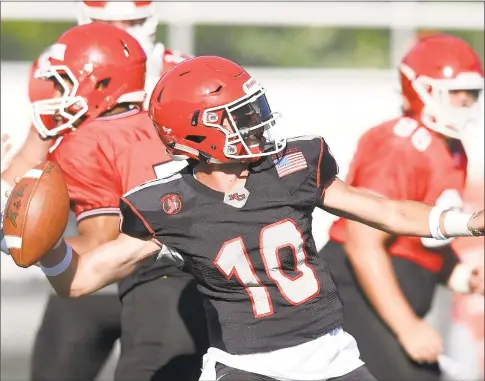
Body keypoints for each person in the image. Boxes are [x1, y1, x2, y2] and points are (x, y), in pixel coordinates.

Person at [7, 55, 484, 381]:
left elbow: (386, 210)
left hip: (332, 358)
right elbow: (82, 279)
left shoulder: (292, 165)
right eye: (239, 115)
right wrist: (45, 247)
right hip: (247, 368)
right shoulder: (169, 204)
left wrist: (468, 222)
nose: (258, 120)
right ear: (195, 135)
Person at [4, 21, 206, 381]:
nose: (54, 95)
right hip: (211, 277)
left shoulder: (87, 140)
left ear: (100, 83)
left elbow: (97, 248)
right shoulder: (161, 113)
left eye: (63, 84)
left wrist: (14, 237)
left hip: (152, 282)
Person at [319, 34, 485, 381]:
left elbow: (422, 235)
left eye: (472, 93)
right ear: (423, 89)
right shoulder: (398, 142)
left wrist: (459, 274)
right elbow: (363, 244)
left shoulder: (453, 150)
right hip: (355, 293)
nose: (466, 101)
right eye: (456, 92)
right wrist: (408, 326)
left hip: (389, 295)